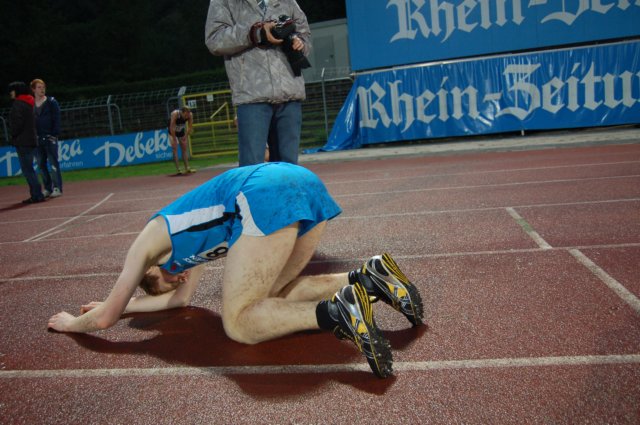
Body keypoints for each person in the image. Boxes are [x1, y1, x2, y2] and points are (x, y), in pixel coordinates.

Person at [47, 162, 424, 378]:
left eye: (169, 280)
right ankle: (367, 278)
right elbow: (179, 301)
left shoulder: (146, 244)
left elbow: (105, 320)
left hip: (262, 194)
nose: (181, 279)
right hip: (299, 182)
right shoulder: (184, 255)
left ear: (151, 271)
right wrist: (124, 304)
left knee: (239, 323)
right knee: (272, 297)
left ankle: (338, 313)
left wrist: (72, 322)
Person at [205, 0, 312, 166]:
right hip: (252, 95)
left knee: (288, 169)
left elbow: (305, 34)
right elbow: (214, 40)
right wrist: (255, 32)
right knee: (252, 167)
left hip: (289, 91)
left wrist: (298, 42)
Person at [8, 81, 44, 204]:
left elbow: (17, 124)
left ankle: (36, 195)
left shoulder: (18, 104)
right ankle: (37, 194)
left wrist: (13, 135)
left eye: (12, 90)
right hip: (32, 139)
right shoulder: (30, 102)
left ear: (17, 91)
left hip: (23, 141)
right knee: (30, 169)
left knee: (27, 170)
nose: (10, 93)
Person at [30, 79, 63, 198]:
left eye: (43, 87)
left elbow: (57, 118)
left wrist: (54, 134)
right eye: (39, 87)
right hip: (37, 139)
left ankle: (57, 188)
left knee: (53, 163)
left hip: (49, 137)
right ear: (33, 89)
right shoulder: (30, 104)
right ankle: (48, 188)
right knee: (41, 165)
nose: (42, 89)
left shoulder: (51, 102)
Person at [168, 106, 194, 175]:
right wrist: (174, 138)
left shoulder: (190, 115)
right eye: (186, 114)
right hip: (172, 131)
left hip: (181, 131)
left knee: (184, 148)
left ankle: (187, 168)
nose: (187, 116)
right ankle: (178, 169)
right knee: (174, 148)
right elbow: (171, 126)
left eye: (188, 114)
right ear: (183, 112)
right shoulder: (175, 114)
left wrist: (185, 136)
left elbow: (190, 126)